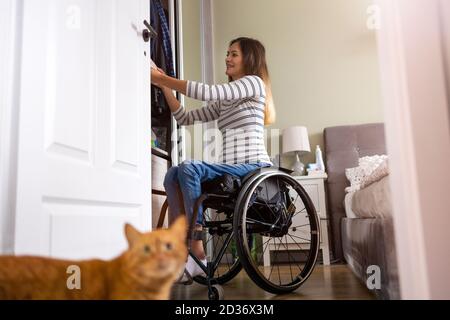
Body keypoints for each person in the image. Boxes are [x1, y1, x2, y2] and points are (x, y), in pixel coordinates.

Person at [151, 37, 276, 280]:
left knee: (189, 167)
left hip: (253, 168)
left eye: (233, 54)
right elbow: (185, 117)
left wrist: (160, 78)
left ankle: (197, 250)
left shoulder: (254, 82)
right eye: (227, 53)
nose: (227, 58)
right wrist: (164, 87)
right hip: (232, 169)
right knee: (173, 173)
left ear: (249, 59)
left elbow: (207, 91)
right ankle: (180, 250)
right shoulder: (227, 99)